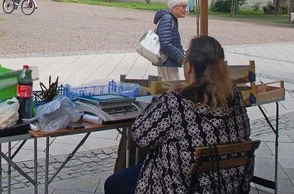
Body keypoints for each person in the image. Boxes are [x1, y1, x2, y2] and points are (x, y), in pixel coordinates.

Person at [104, 36, 251, 194]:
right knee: (146, 160)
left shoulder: (175, 103)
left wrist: (164, 98)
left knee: (114, 183)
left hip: (182, 186)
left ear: (189, 67)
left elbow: (140, 136)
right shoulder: (234, 96)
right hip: (227, 185)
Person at [153, 0, 187, 81]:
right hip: (167, 61)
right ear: (175, 7)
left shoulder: (170, 18)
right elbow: (166, 44)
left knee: (169, 88)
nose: (185, 10)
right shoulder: (168, 18)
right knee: (170, 88)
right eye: (183, 7)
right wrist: (180, 57)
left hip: (168, 61)